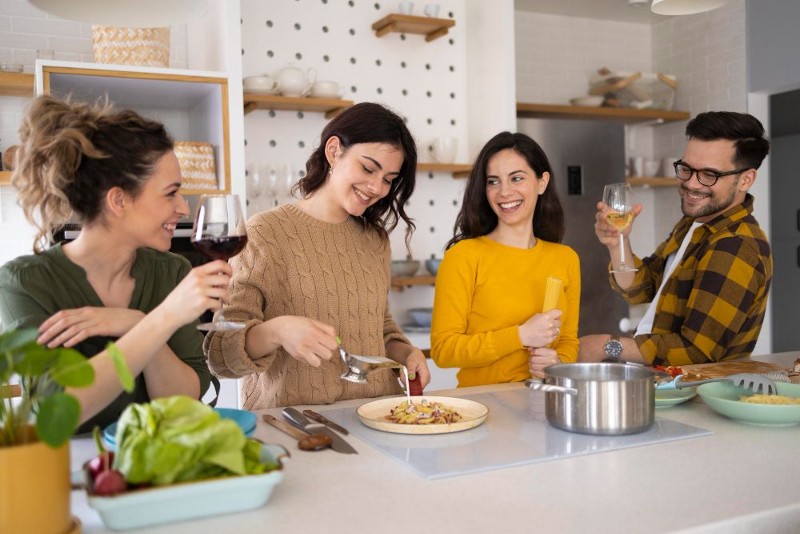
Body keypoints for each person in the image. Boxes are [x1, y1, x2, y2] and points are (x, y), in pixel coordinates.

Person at [0, 95, 232, 432]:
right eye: (170, 193)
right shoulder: (23, 283)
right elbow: (55, 410)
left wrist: (135, 324)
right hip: (69, 472)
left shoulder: (171, 271)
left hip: (156, 463)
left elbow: (182, 403)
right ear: (119, 200)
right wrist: (158, 320)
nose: (183, 208)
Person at [204, 102, 430, 409]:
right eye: (368, 168)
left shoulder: (375, 240)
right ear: (334, 151)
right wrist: (277, 330)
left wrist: (406, 354)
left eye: (389, 179)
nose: (377, 187)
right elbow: (221, 355)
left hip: (377, 419)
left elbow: (380, 326)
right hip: (293, 430)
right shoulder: (264, 233)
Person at [579, 111, 772, 366]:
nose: (691, 183)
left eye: (709, 174)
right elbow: (641, 287)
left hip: (698, 396)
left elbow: (696, 352)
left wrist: (608, 346)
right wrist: (618, 244)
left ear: (745, 179)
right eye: (687, 169)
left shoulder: (735, 245)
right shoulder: (694, 224)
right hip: (667, 383)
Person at [430, 132, 580, 386]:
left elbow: (567, 341)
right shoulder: (464, 256)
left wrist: (556, 363)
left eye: (517, 178)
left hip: (543, 402)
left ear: (542, 182)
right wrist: (520, 336)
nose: (504, 192)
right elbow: (443, 351)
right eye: (493, 181)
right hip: (483, 408)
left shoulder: (565, 259)